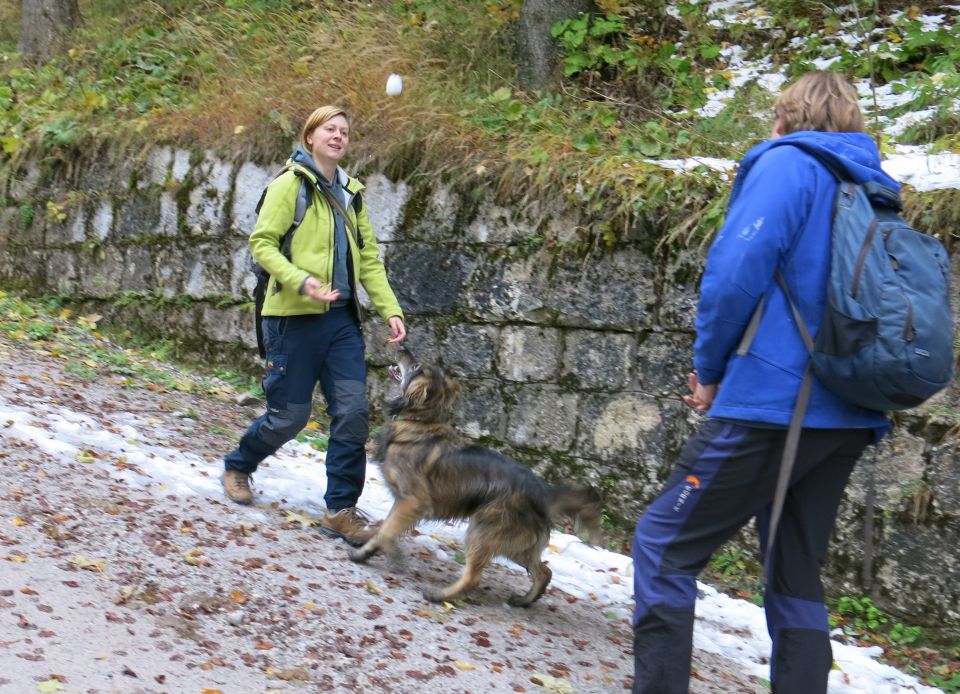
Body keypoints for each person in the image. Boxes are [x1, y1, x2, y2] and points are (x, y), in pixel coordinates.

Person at [630, 71, 893, 693]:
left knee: (663, 545)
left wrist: (713, 370)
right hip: (850, 410)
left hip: (773, 404)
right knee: (795, 568)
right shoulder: (875, 184)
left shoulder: (786, 164)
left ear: (783, 118)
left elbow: (735, 275)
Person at [223, 105, 406, 547]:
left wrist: (390, 308)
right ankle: (239, 464)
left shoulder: (352, 194)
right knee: (290, 417)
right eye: (330, 128)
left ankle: (341, 510)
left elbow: (367, 259)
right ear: (310, 137)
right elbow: (262, 244)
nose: (339, 136)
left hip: (341, 322)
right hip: (291, 319)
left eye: (344, 131)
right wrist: (300, 281)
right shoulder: (289, 185)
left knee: (353, 413)